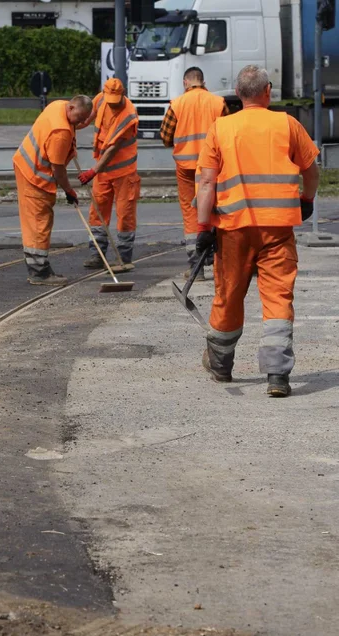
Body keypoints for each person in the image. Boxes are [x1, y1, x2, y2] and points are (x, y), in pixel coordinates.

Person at [195, 65, 319, 397]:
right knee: (278, 297)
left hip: (233, 227)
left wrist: (204, 228)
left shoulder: (221, 128)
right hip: (278, 227)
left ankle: (221, 366)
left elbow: (206, 182)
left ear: (238, 94)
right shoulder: (287, 123)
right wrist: (306, 200)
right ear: (268, 91)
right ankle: (277, 376)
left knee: (229, 293)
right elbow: (310, 169)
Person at [13, 95, 93, 286]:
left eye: (84, 120)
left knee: (35, 220)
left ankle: (39, 267)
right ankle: (39, 272)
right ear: (71, 108)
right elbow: (58, 170)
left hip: (26, 165)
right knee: (39, 222)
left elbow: (72, 125)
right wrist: (69, 191)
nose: (81, 123)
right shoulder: (61, 133)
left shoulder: (58, 106)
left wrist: (77, 126)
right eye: (79, 118)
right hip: (35, 176)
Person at [160, 67, 227, 279]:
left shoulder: (177, 104)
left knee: (191, 214)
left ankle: (196, 266)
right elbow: (228, 133)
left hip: (187, 169)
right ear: (203, 81)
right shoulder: (218, 102)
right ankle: (219, 264)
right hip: (214, 167)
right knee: (216, 210)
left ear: (185, 82)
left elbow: (166, 136)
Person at [77, 77, 140, 268]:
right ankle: (97, 255)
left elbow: (113, 148)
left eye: (116, 102)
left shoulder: (129, 115)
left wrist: (93, 171)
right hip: (102, 172)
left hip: (123, 173)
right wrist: (71, 124)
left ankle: (123, 258)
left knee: (125, 215)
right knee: (97, 212)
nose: (112, 106)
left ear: (123, 95)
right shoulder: (100, 99)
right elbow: (86, 119)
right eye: (110, 101)